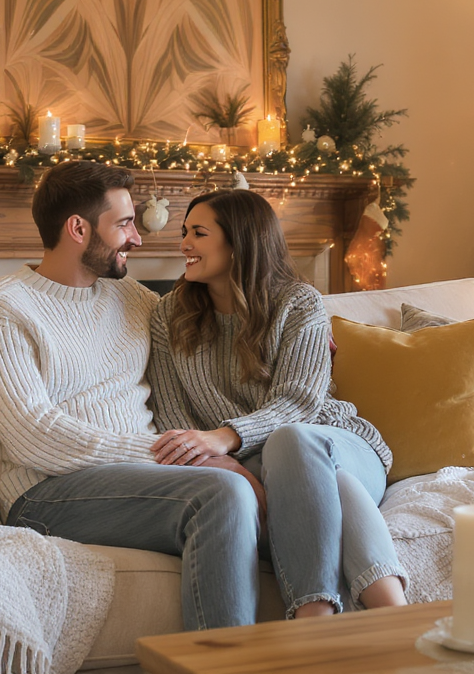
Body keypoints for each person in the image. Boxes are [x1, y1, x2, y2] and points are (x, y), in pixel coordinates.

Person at [0, 160, 263, 631]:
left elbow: (209, 336)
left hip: (143, 475)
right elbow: (35, 437)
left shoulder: (134, 298)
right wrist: (175, 455)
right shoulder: (1, 311)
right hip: (44, 493)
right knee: (220, 491)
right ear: (78, 228)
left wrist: (284, 335)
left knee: (283, 472)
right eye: (123, 224)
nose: (138, 238)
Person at [147, 188, 408, 618]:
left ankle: (313, 617)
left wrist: (226, 437)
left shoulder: (298, 301)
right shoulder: (168, 314)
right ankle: (396, 621)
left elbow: (300, 402)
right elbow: (173, 412)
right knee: (325, 482)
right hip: (263, 463)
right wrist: (223, 461)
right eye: (184, 232)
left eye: (199, 232)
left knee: (293, 441)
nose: (184, 244)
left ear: (239, 242)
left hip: (337, 443)